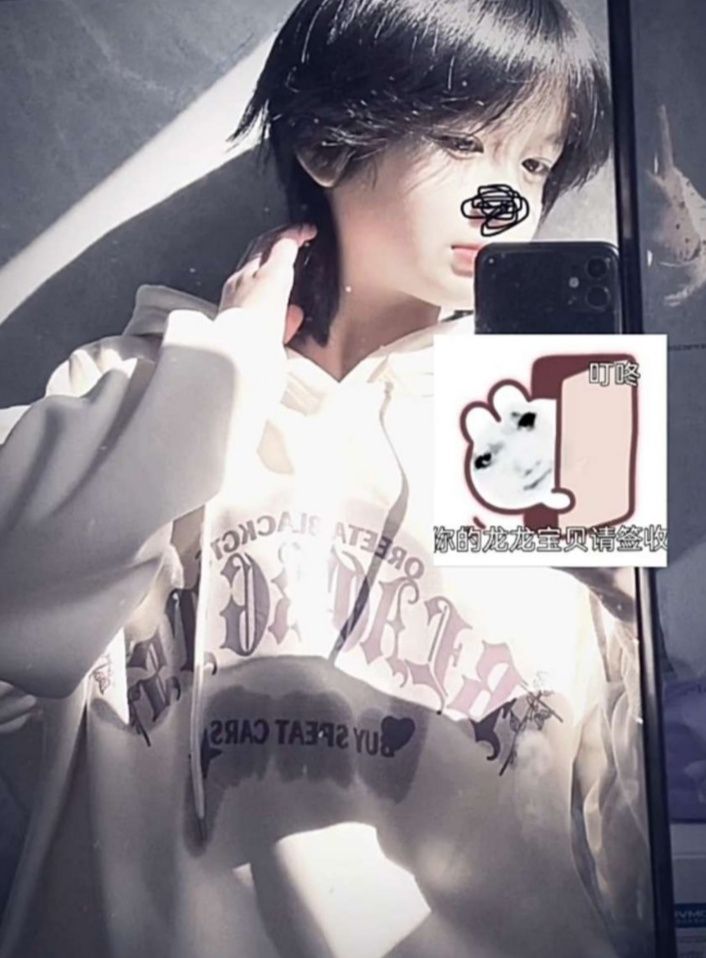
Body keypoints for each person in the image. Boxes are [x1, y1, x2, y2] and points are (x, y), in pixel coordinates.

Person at [0, 0, 652, 956]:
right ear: (326, 145)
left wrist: (642, 616)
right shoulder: (131, 390)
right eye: (463, 143)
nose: (507, 202)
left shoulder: (562, 420)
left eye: (534, 166)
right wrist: (221, 373)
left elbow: (630, 845)